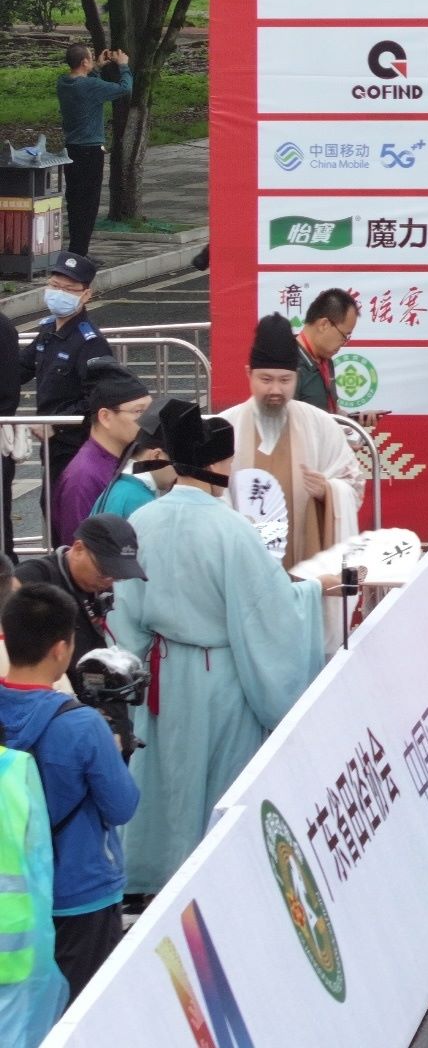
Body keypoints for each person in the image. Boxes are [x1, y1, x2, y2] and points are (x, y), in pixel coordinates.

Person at [111, 406, 323, 896]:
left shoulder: (142, 520)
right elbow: (268, 612)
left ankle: (156, 876)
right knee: (223, 781)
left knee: (166, 777)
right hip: (220, 674)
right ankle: (220, 888)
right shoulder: (231, 529)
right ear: (218, 464)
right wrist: (313, 590)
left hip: (162, 671)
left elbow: (125, 614)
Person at [0, 585, 136, 1009]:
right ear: (61, 649)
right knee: (83, 1012)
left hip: (11, 900)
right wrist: (113, 751)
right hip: (78, 892)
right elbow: (122, 806)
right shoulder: (82, 725)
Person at [219, 315, 366, 570]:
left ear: (296, 377)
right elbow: (208, 497)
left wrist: (328, 491)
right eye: (266, 380)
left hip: (305, 559)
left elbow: (353, 484)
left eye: (285, 380)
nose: (276, 390)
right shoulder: (225, 426)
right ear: (249, 374)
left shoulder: (320, 424)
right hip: (243, 562)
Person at [24, 252, 108, 534]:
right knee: (50, 509)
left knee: (69, 517)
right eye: (54, 285)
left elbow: (98, 397)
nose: (59, 293)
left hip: (75, 445)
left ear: (86, 295)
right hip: (51, 447)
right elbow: (20, 368)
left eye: (69, 289)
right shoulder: (48, 329)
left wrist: (57, 424)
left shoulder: (90, 342)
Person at [11, 516, 137, 668]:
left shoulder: (99, 585)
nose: (109, 581)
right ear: (78, 549)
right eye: (104, 571)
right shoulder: (33, 577)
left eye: (118, 576)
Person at [48, 370, 148, 550]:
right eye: (139, 411)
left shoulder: (116, 459)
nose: (148, 421)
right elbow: (79, 550)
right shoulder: (83, 477)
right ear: (105, 417)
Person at [52, 46, 131, 254]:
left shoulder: (63, 83)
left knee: (75, 201)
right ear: (84, 62)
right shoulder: (90, 86)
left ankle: (76, 250)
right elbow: (124, 88)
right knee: (89, 203)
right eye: (90, 57)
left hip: (71, 150)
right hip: (90, 152)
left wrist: (97, 68)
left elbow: (89, 88)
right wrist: (123, 66)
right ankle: (80, 253)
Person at [293, 288, 360, 418]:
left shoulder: (326, 361)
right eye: (344, 335)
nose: (344, 343)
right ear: (324, 325)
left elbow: (332, 412)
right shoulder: (288, 363)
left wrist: (353, 419)